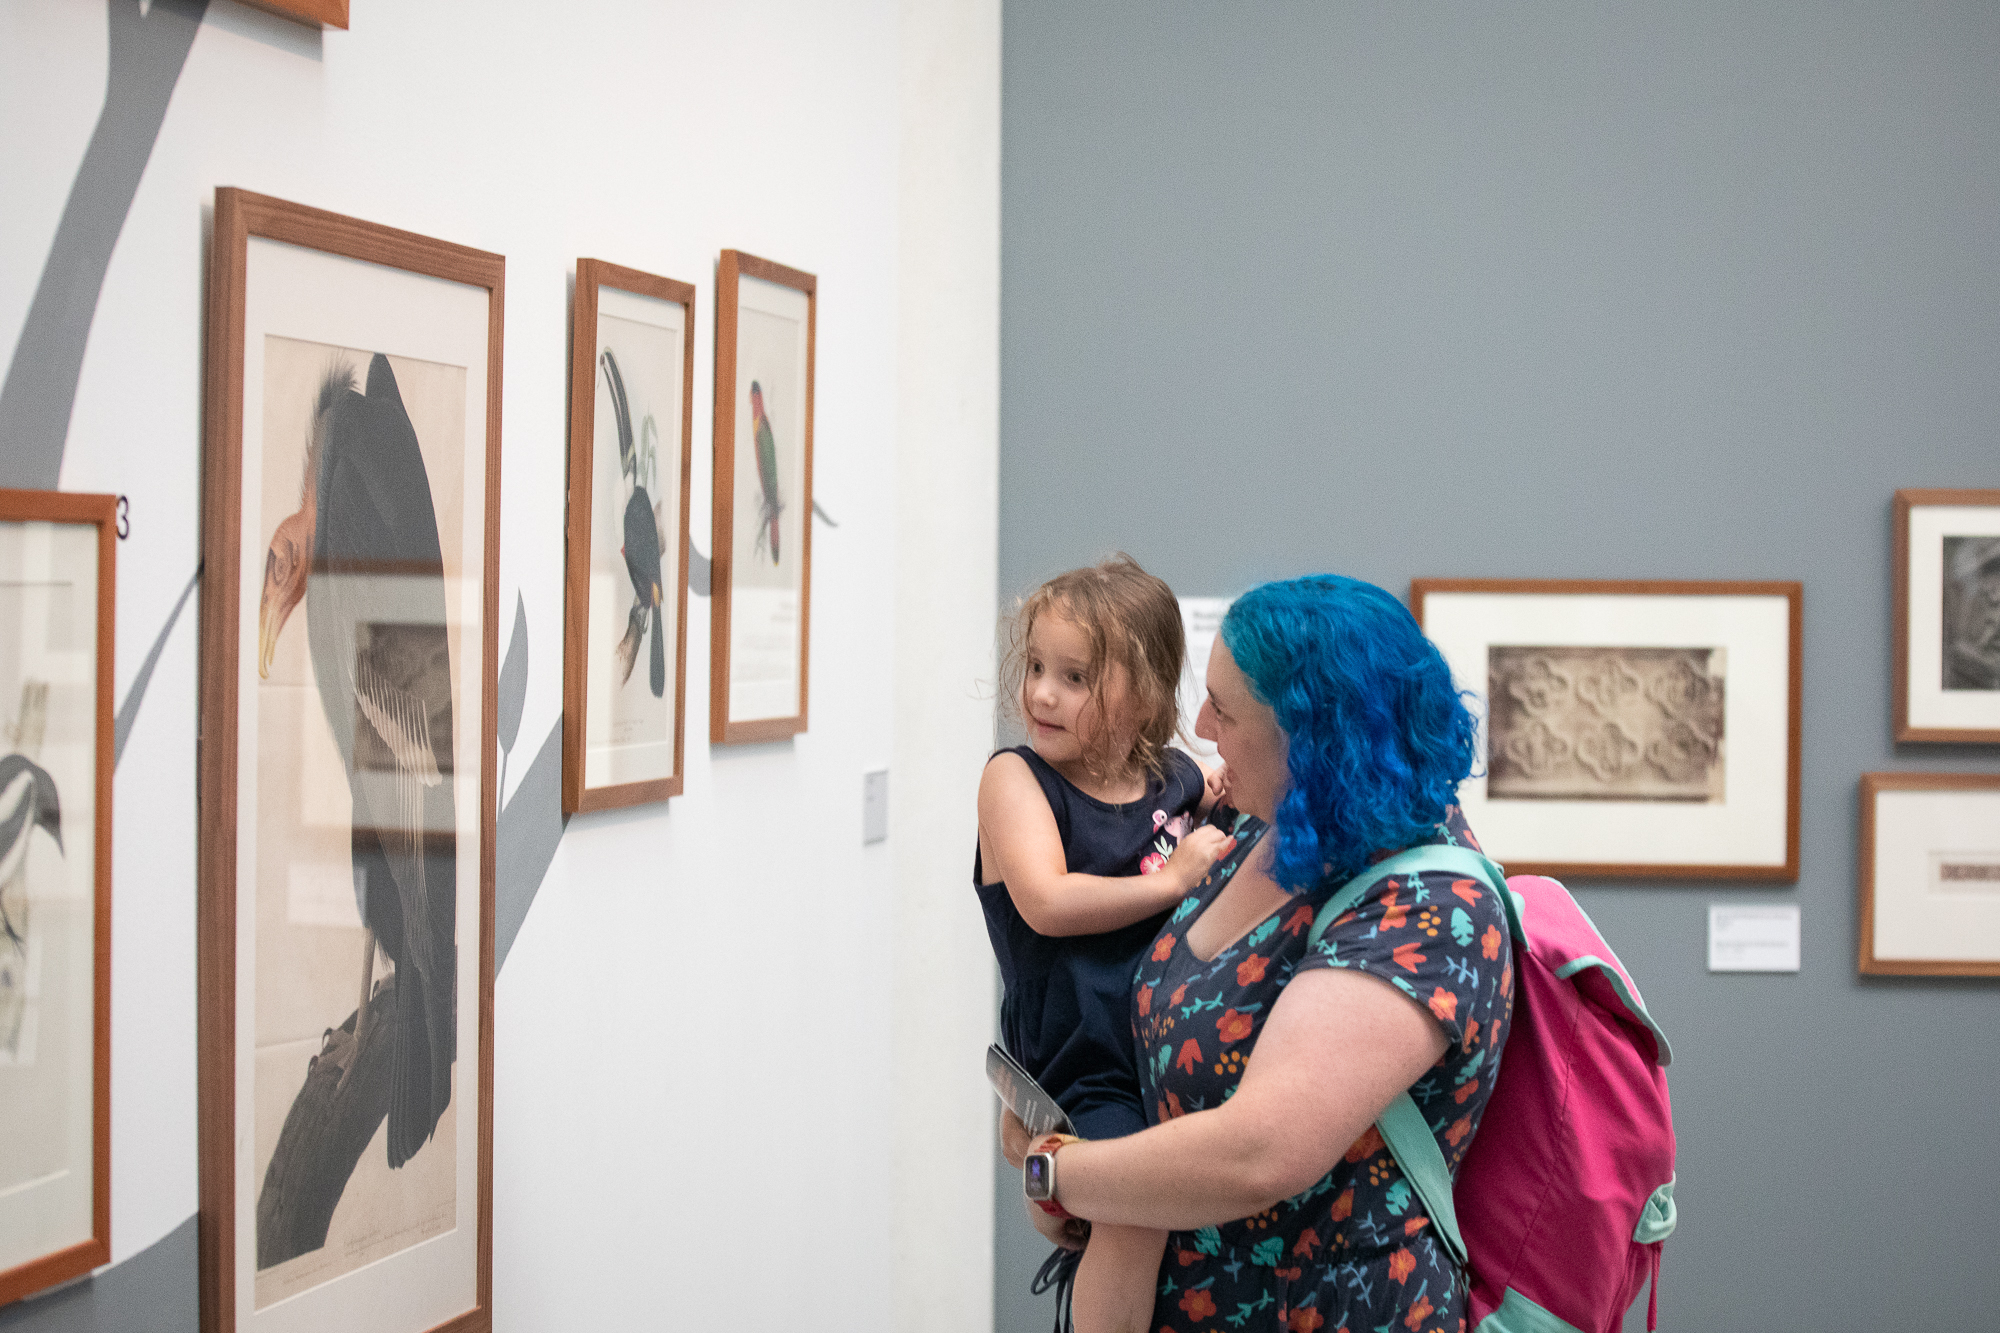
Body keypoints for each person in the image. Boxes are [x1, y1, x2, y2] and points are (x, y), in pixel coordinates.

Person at [1003, 574, 1515, 1333]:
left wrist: (1056, 1173)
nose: (1202, 725)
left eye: (1227, 709)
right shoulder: (1257, 823)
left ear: (1312, 736)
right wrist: (1061, 1134)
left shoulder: (1429, 907)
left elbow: (1259, 1151)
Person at [977, 556, 1235, 1333]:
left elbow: (1227, 793)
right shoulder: (1016, 780)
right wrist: (1169, 883)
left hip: (1164, 1051)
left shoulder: (1173, 779)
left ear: (1147, 694)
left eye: (1076, 676)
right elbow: (1048, 902)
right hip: (1085, 1057)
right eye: (1035, 666)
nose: (1043, 693)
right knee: (1135, 1210)